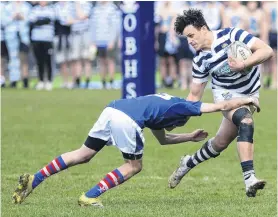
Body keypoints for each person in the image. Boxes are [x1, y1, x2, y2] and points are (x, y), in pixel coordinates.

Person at [12, 93, 259, 207]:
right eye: (179, 124)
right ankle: (89, 196)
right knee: (134, 166)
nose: (176, 125)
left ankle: (35, 179)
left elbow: (163, 140)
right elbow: (222, 105)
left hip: (112, 110)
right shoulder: (183, 107)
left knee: (83, 153)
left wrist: (189, 137)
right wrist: (247, 100)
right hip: (126, 120)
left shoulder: (162, 108)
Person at [168, 9, 273, 197]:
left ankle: (187, 163)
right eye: (186, 38)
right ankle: (250, 179)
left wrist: (244, 63)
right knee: (245, 121)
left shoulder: (232, 35)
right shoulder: (200, 60)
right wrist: (176, 116)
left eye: (191, 35)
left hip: (250, 93)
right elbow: (194, 96)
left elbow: (267, 51)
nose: (190, 41)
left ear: (203, 28)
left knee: (220, 142)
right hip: (226, 96)